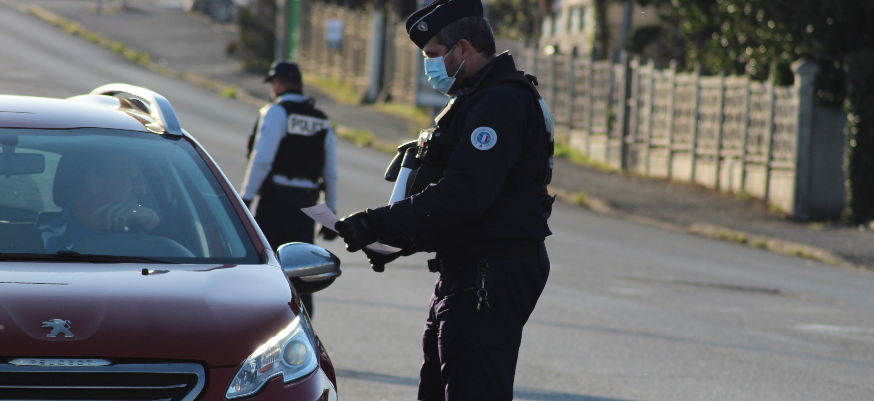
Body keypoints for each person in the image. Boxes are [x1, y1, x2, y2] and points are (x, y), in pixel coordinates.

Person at [334, 0, 555, 399]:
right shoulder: (478, 97)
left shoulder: (499, 103)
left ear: (463, 49)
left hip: (488, 274)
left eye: (433, 55)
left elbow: (465, 194)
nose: (429, 66)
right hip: (467, 271)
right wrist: (397, 241)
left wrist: (378, 222)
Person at [240, 60, 339, 317]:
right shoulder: (321, 120)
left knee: (267, 268)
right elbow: (330, 173)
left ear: (277, 84)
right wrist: (330, 216)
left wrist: (245, 199)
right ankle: (302, 325)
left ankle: (265, 322)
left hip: (276, 202)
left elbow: (261, 160)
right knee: (302, 272)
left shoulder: (276, 112)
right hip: (307, 204)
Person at [41, 154, 160, 253]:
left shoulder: (142, 233)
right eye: (129, 177)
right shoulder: (42, 241)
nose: (142, 191)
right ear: (95, 182)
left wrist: (154, 222)